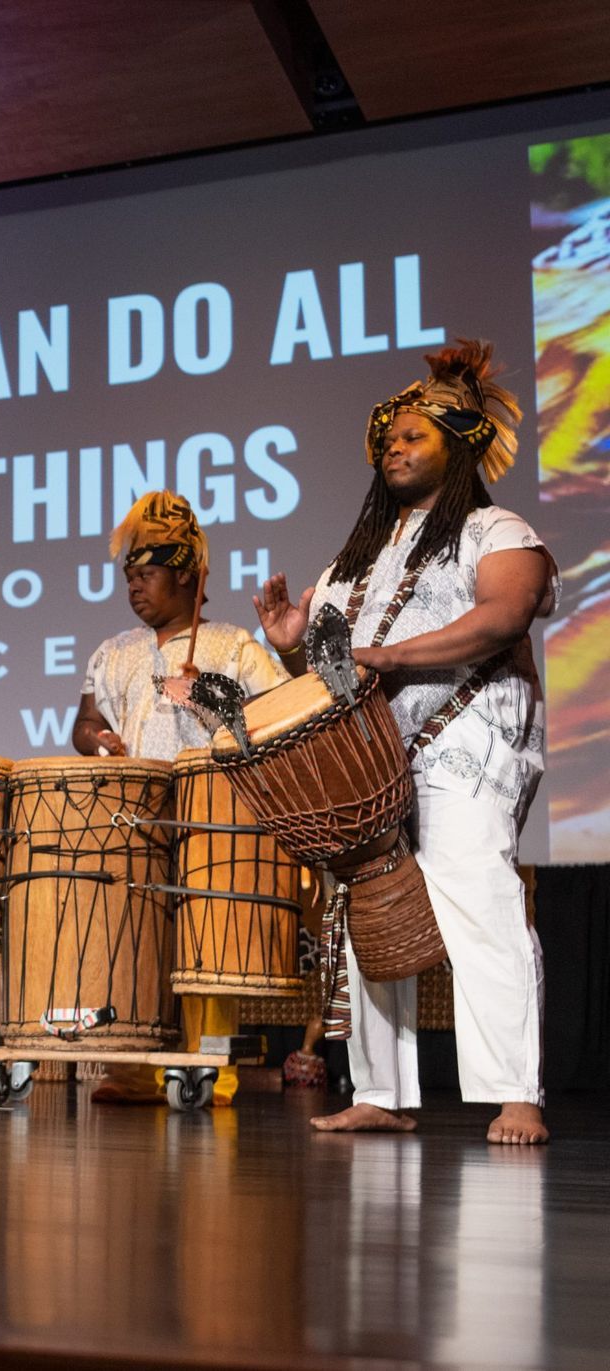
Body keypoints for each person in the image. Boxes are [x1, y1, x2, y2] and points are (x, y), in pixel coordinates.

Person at [255, 340, 556, 1145]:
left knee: (475, 895)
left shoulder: (496, 528)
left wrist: (386, 655)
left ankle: (514, 1092)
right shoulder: (362, 558)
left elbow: (504, 613)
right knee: (373, 908)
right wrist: (291, 640)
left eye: (414, 435)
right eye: (388, 438)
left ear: (456, 446)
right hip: (385, 757)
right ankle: (382, 1088)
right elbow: (330, 664)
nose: (394, 446)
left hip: (473, 735)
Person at [73, 490, 286, 1105]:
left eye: (148, 575)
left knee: (206, 938)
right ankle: (137, 1068)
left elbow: (276, 716)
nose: (135, 588)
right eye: (129, 577)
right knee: (136, 941)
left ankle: (208, 1070)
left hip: (210, 816)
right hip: (136, 817)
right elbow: (84, 723)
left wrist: (212, 694)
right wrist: (97, 740)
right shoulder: (111, 652)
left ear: (190, 575)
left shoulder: (233, 645)